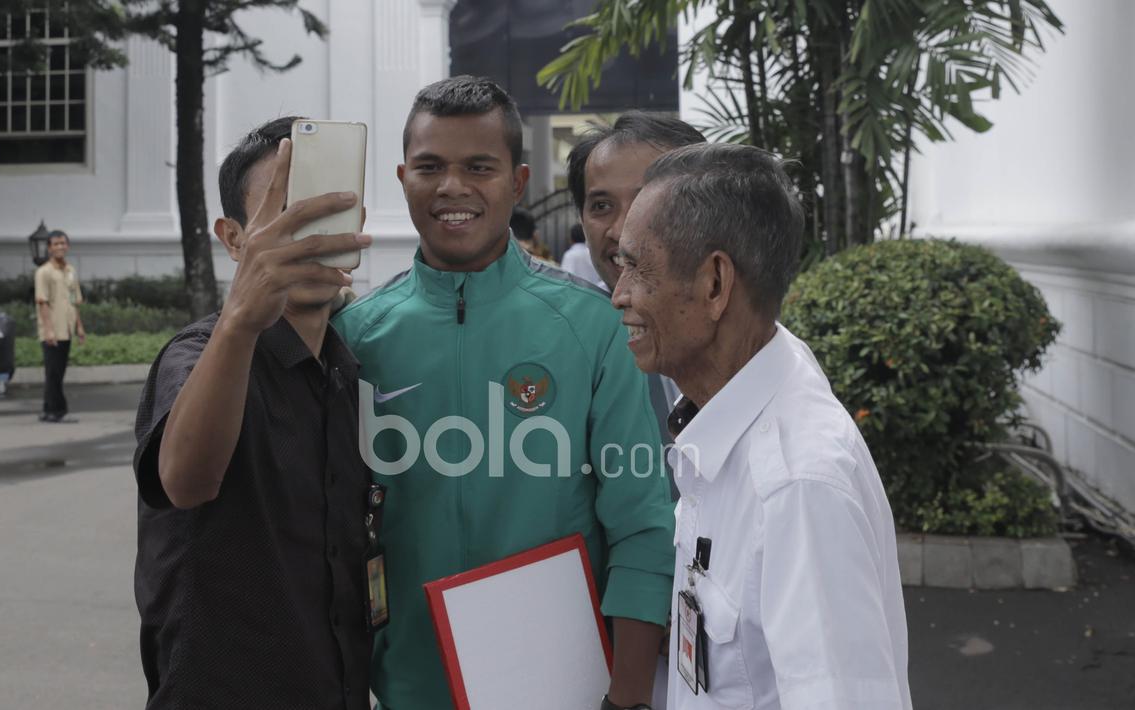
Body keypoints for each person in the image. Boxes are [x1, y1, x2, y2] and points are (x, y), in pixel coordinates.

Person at [333, 76, 674, 710]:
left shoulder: (593, 328)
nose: (452, 187)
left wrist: (627, 699)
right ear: (402, 177)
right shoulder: (353, 337)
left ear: (516, 183)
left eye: (478, 167)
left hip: (568, 692)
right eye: (430, 167)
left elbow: (641, 527)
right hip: (406, 691)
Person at [611, 142, 912, 709]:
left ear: (715, 285)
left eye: (635, 266)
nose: (618, 293)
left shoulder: (798, 487)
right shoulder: (738, 399)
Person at [132, 117, 375, 709]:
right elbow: (186, 480)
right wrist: (242, 317)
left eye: (324, 212)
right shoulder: (199, 355)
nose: (307, 234)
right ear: (235, 238)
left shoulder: (348, 371)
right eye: (284, 214)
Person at [567, 112, 706, 457]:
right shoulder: (560, 344)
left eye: (649, 202)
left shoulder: (748, 347)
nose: (623, 231)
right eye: (601, 206)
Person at [33, 229, 85, 422]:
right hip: (52, 330)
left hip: (67, 329)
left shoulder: (70, 271)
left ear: (67, 246)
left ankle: (48, 410)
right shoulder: (43, 272)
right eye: (56, 244)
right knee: (53, 372)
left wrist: (79, 327)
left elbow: (75, 300)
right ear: (49, 248)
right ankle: (57, 410)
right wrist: (48, 330)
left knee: (57, 371)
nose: (60, 247)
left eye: (63, 243)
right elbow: (42, 302)